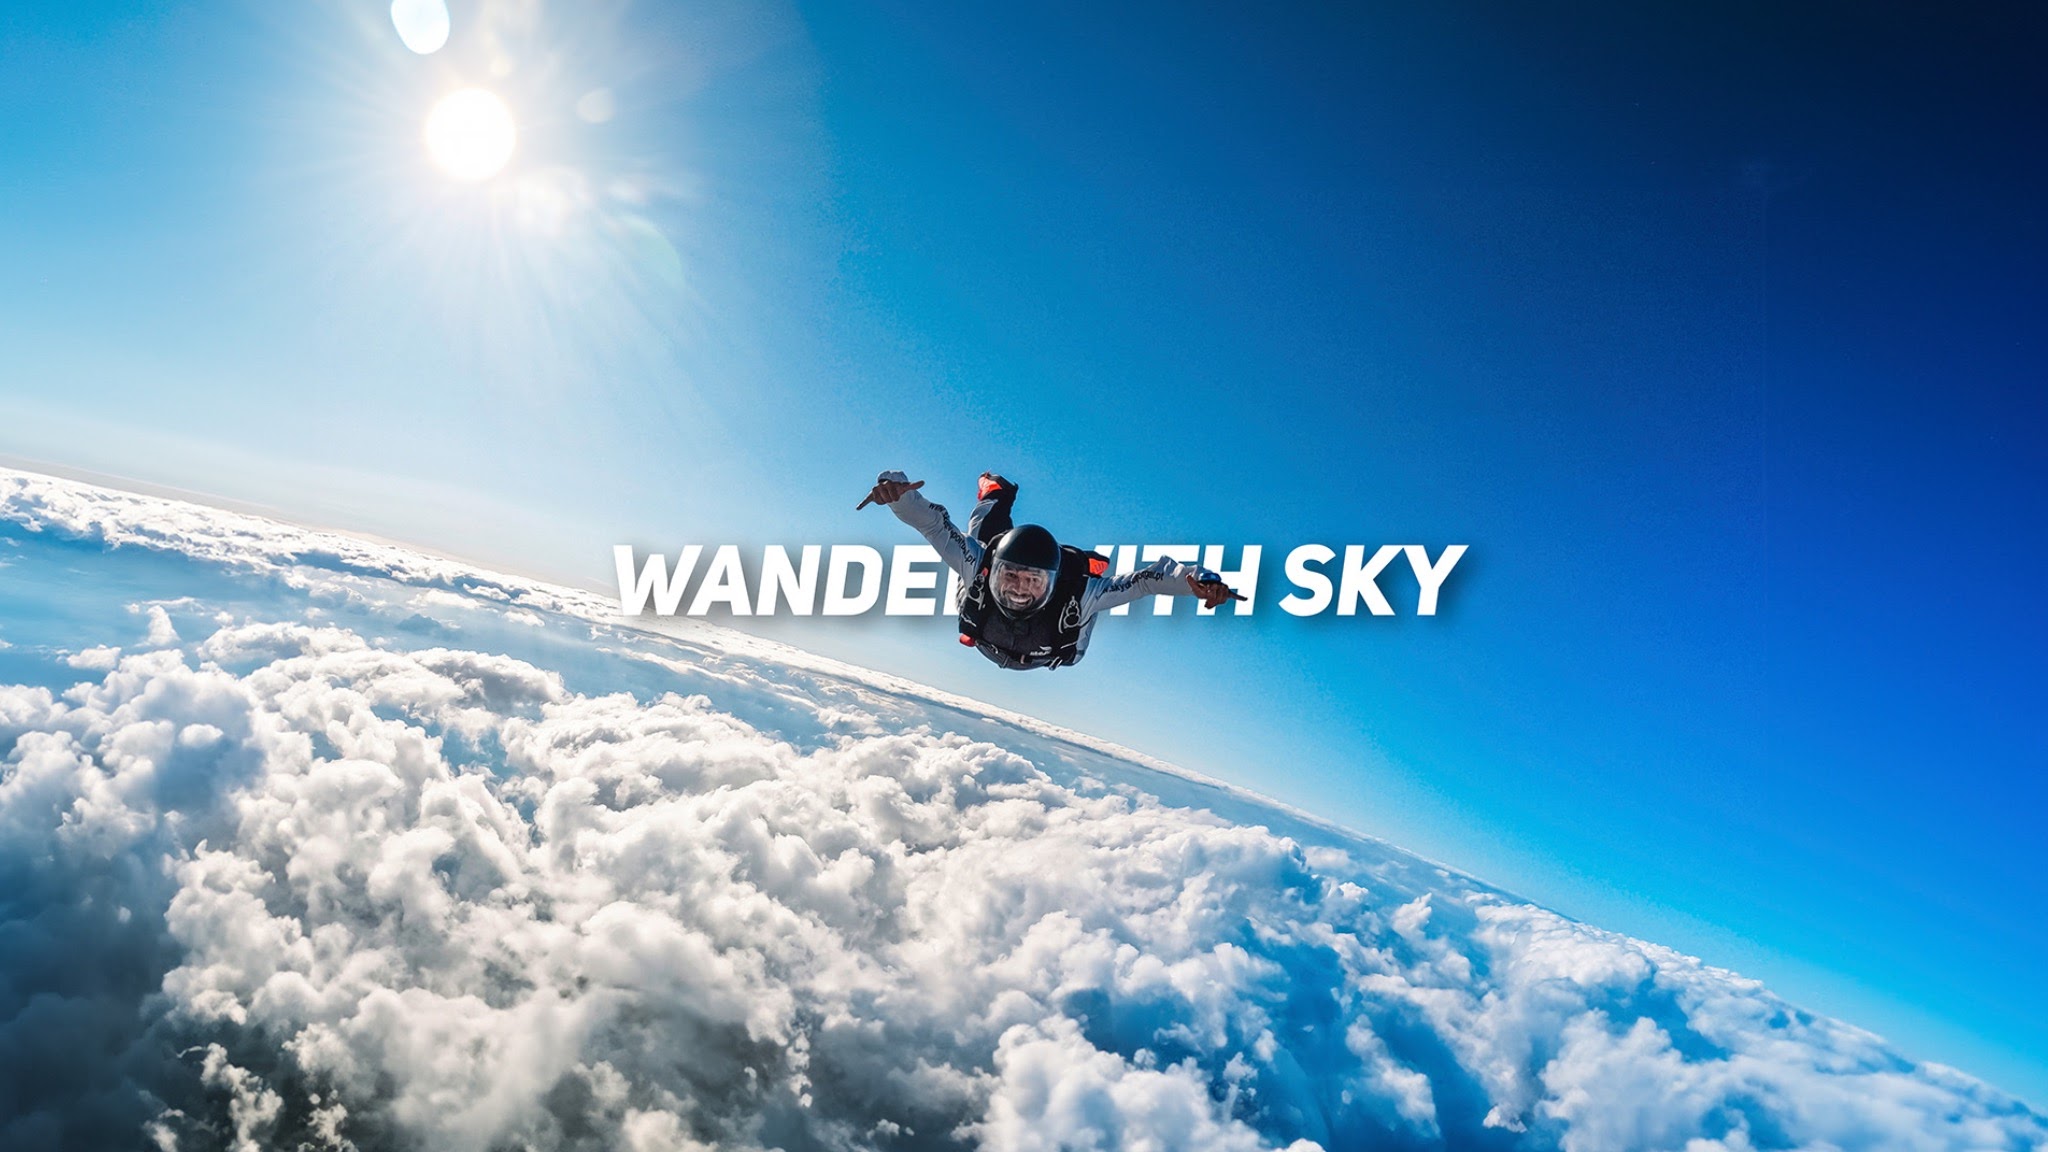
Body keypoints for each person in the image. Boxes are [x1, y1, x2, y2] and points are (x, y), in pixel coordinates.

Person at [860, 470, 1244, 670]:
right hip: (996, 616)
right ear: (995, 572)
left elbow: (1146, 581)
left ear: (1052, 582)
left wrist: (1197, 581)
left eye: (1033, 580)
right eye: (1011, 576)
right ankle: (996, 492)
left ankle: (1081, 561)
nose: (1019, 589)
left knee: (1084, 574)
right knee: (981, 535)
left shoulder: (1081, 594)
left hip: (1047, 634)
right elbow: (933, 524)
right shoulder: (979, 564)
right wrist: (899, 495)